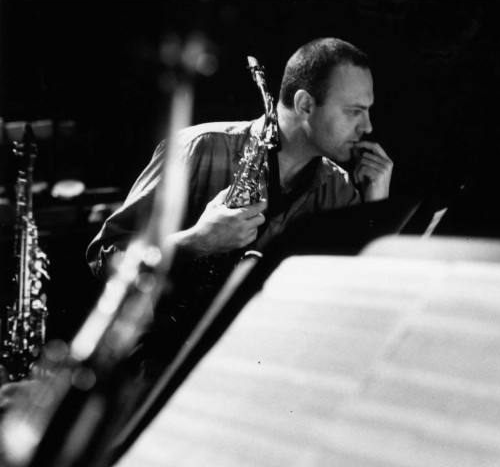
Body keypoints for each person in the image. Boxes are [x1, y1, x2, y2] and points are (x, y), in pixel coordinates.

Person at [85, 37, 393, 365]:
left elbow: (356, 310)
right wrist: (195, 242)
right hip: (165, 365)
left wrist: (377, 206)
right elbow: (105, 256)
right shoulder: (197, 147)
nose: (367, 126)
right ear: (305, 104)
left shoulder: (341, 189)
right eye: (354, 111)